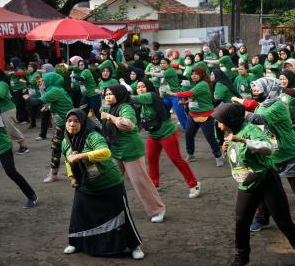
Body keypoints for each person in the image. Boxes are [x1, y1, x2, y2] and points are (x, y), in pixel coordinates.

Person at [212, 103, 295, 266]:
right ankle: (241, 258)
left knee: (284, 222)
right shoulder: (232, 131)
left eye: (220, 121)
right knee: (241, 221)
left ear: (230, 120)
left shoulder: (249, 130)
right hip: (247, 184)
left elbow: (268, 148)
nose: (218, 124)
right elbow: (237, 159)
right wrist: (227, 149)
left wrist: (243, 140)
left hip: (267, 181)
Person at [244, 78, 295, 239]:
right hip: (270, 157)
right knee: (265, 191)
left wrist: (240, 112)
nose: (254, 91)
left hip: (289, 155)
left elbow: (262, 119)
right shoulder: (262, 105)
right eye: (253, 88)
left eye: (257, 89)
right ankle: (262, 219)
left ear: (268, 89)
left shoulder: (278, 105)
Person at [61, 109, 144, 259]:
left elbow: (105, 152)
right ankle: (76, 242)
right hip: (86, 184)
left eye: (76, 121)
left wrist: (81, 156)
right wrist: (72, 177)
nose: (72, 124)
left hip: (109, 183)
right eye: (69, 121)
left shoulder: (92, 136)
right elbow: (68, 160)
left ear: (83, 122)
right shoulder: (65, 141)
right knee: (79, 215)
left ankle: (134, 246)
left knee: (122, 216)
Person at [101, 84, 166, 223]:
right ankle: (114, 209)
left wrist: (109, 117)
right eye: (106, 94)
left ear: (118, 95)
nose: (107, 96)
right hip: (116, 150)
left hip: (131, 150)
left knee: (140, 182)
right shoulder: (111, 107)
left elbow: (128, 124)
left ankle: (158, 209)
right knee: (111, 180)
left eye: (110, 94)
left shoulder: (125, 107)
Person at [132, 80, 200, 197]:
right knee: (151, 158)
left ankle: (194, 184)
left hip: (167, 133)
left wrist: (119, 94)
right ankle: (154, 184)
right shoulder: (141, 104)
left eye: (143, 86)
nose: (140, 89)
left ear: (148, 88)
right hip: (154, 134)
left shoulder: (150, 96)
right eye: (138, 87)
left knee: (176, 159)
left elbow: (132, 98)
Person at [167, 67, 224, 167]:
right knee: (188, 135)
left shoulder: (203, 84)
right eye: (192, 74)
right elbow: (196, 97)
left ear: (201, 74)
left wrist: (174, 93)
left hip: (205, 116)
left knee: (210, 138)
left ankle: (218, 156)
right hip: (192, 115)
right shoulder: (197, 84)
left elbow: (190, 93)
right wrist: (186, 102)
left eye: (196, 74)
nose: (193, 76)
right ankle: (191, 155)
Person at [30, 73, 74, 183]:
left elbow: (35, 102)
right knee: (57, 148)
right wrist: (48, 107)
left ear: (50, 80)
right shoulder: (56, 89)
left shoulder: (54, 90)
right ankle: (53, 174)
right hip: (62, 125)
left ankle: (77, 174)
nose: (41, 83)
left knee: (70, 150)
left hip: (69, 126)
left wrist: (27, 97)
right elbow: (59, 102)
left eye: (43, 81)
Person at [0, 67, 29, 155]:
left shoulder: (1, 84)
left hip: (7, 109)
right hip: (3, 109)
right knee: (4, 129)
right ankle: (5, 147)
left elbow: (0, 96)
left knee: (10, 129)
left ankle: (23, 146)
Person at [151, 58, 187, 129]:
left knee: (179, 112)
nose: (162, 64)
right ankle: (165, 126)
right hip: (166, 96)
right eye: (161, 63)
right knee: (162, 111)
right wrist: (161, 93)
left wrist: (151, 73)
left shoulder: (171, 70)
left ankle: (187, 128)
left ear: (168, 64)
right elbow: (161, 84)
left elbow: (160, 75)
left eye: (164, 63)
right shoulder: (162, 71)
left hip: (175, 95)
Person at [8, 57, 29, 124]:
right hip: (16, 90)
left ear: (15, 63)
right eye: (10, 62)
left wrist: (13, 73)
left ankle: (24, 119)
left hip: (20, 90)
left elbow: (22, 73)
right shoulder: (14, 69)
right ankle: (20, 119)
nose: (10, 63)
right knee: (18, 105)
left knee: (21, 105)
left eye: (12, 62)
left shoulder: (19, 69)